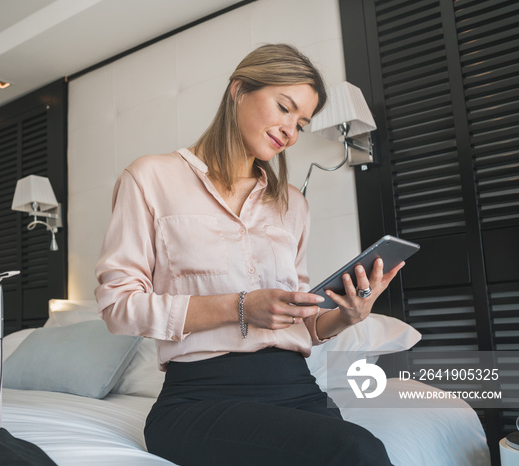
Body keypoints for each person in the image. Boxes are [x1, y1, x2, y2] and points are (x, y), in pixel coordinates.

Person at [95, 43, 404, 466]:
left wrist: (347, 316)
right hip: (199, 397)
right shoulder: (150, 178)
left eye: (301, 123)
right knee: (358, 451)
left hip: (297, 388)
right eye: (284, 108)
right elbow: (118, 307)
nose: (290, 131)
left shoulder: (293, 204)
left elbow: (303, 324)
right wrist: (241, 307)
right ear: (239, 90)